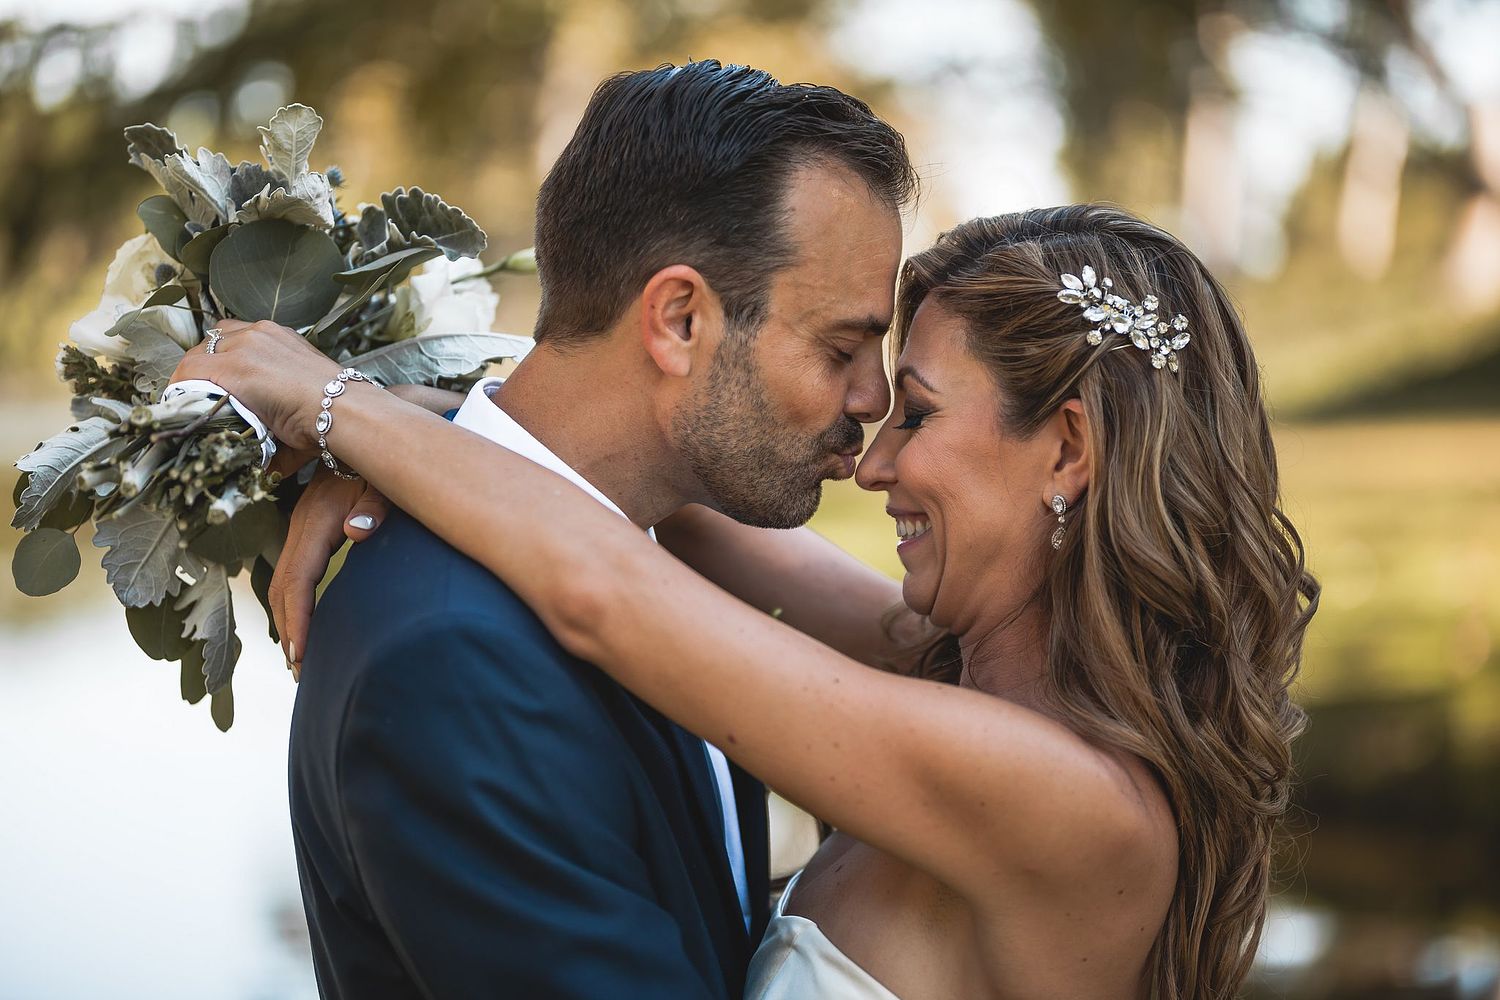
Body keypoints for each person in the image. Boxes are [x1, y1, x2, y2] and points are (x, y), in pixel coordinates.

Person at [176, 203, 1319, 998]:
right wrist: (426, 425)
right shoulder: (955, 668)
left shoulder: (1059, 797)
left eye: (919, 414)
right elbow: (653, 496)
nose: (874, 463)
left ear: (1067, 449)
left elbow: (607, 588)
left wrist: (334, 404)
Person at [248, 60, 916, 999]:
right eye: (842, 347)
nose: (874, 399)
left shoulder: (668, 550)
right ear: (678, 319)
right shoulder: (453, 661)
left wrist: (394, 424)